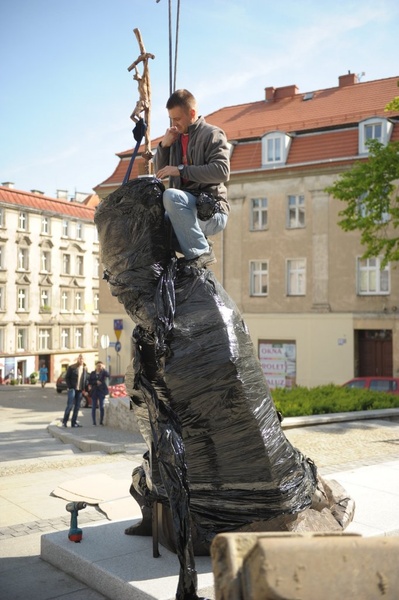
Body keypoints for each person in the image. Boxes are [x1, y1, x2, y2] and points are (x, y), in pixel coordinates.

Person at [153, 89, 230, 269]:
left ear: (192, 113)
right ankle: (199, 247)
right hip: (186, 211)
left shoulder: (212, 134)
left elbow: (222, 171)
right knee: (152, 224)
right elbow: (160, 172)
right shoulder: (175, 139)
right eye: (171, 119)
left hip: (212, 211)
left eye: (177, 118)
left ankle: (200, 253)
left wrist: (181, 170)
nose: (174, 123)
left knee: (171, 196)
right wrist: (164, 145)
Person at [62, 354, 87, 428]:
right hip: (72, 389)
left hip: (79, 390)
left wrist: (85, 388)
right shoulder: (72, 367)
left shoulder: (85, 368)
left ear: (84, 360)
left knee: (77, 407)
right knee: (70, 406)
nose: (81, 360)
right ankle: (65, 422)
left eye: (82, 359)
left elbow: (85, 379)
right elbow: (67, 378)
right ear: (78, 359)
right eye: (80, 358)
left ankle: (74, 422)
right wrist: (70, 387)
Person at [88, 361, 110, 426]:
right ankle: (94, 422)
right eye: (98, 366)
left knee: (101, 407)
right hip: (94, 391)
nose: (99, 367)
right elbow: (90, 381)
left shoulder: (103, 372)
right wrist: (96, 382)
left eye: (100, 366)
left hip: (101, 391)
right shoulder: (92, 373)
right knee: (94, 407)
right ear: (96, 366)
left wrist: (104, 369)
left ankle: (101, 421)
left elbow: (108, 375)